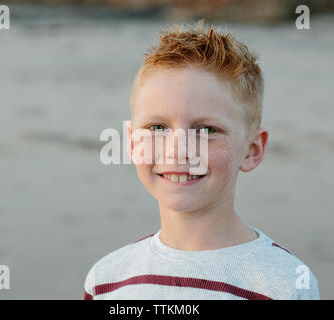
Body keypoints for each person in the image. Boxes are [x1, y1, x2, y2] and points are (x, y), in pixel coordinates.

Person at [83, 21, 320, 300]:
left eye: (207, 130)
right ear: (133, 143)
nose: (178, 150)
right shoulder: (107, 280)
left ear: (252, 150)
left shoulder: (283, 284)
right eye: (157, 128)